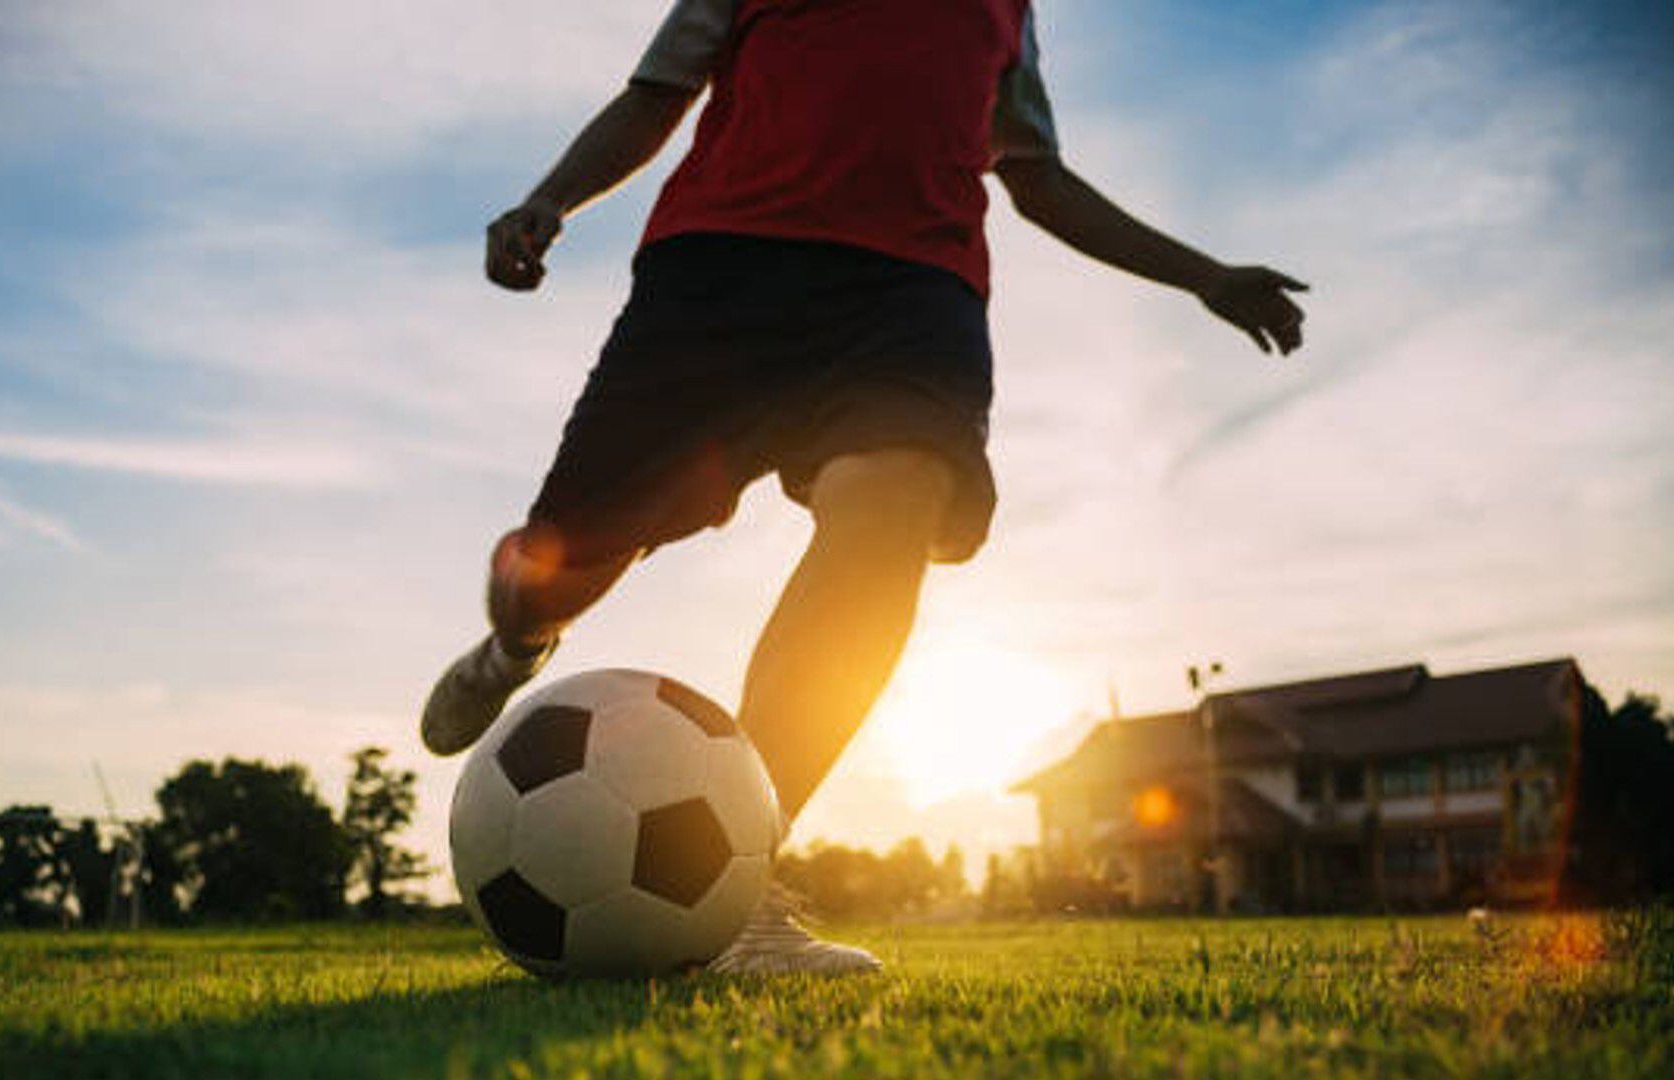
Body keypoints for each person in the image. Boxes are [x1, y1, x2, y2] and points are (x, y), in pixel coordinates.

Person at [424, 0, 1308, 973]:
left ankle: (736, 894)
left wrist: (1204, 276)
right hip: (720, 278)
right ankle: (514, 643)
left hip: (910, 300)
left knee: (890, 519)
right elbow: (651, 99)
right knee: (553, 567)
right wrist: (550, 198)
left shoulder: (1006, 12)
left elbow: (1037, 176)